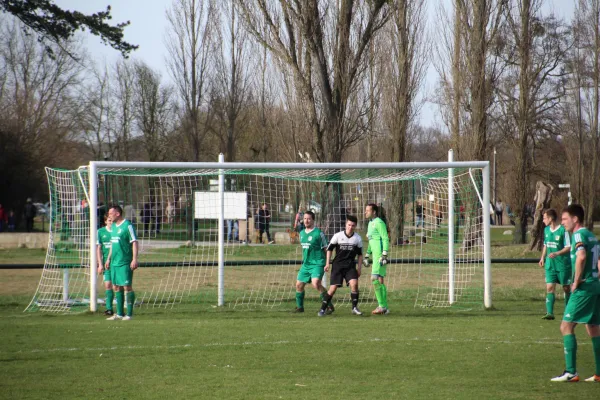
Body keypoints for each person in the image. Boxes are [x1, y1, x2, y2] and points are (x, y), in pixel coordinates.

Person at [551, 204, 600, 382]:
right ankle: (599, 373)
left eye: (564, 219)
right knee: (593, 328)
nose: (562, 223)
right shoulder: (591, 235)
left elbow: (581, 256)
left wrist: (577, 281)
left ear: (575, 219)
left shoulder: (578, 234)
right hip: (595, 285)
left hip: (585, 287)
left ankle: (570, 372)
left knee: (566, 326)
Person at [319, 215, 363, 316]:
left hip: (350, 266)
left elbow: (360, 255)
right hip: (337, 266)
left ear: (355, 226)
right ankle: (322, 309)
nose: (350, 227)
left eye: (353, 225)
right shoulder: (338, 236)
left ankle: (354, 308)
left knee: (354, 284)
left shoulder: (357, 238)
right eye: (349, 225)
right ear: (345, 224)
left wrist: (359, 268)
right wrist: (327, 264)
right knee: (332, 289)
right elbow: (329, 249)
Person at [105, 205, 139, 321]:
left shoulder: (127, 225)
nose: (109, 216)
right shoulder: (113, 226)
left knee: (127, 287)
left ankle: (129, 314)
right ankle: (119, 314)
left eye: (111, 213)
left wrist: (134, 259)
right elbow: (112, 244)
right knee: (116, 287)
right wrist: (108, 258)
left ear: (117, 213)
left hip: (125, 262)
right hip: (114, 262)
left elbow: (134, 242)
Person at [294, 211, 331, 313]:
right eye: (305, 218)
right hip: (306, 264)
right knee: (299, 285)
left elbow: (327, 249)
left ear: (313, 220)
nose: (306, 220)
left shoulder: (319, 234)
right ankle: (300, 307)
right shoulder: (301, 233)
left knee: (316, 283)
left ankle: (328, 304)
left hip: (318, 263)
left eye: (309, 218)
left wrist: (327, 263)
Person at [538, 209, 571, 320]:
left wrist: (557, 253)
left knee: (566, 288)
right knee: (550, 287)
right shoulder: (546, 230)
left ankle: (568, 312)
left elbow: (568, 247)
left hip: (562, 265)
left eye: (544, 218)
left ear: (551, 218)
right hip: (550, 265)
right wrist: (542, 257)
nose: (543, 220)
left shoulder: (563, 231)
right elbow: (546, 245)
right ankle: (550, 313)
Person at [363, 203, 391, 315]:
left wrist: (384, 254)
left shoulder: (379, 223)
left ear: (374, 212)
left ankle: (381, 306)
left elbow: (385, 238)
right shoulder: (370, 223)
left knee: (374, 279)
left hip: (379, 256)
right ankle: (384, 307)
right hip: (375, 256)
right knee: (379, 279)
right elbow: (372, 241)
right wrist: (367, 254)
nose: (365, 212)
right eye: (365, 210)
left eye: (368, 210)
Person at [96, 214, 114, 316]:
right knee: (107, 285)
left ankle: (121, 309)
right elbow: (98, 248)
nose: (111, 222)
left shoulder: (116, 231)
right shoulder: (100, 232)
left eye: (112, 221)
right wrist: (99, 264)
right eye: (109, 221)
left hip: (117, 262)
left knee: (117, 286)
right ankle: (109, 309)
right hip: (106, 264)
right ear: (105, 221)